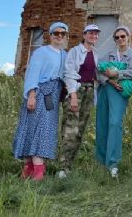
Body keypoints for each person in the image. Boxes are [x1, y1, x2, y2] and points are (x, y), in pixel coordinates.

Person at [12, 21, 69, 181]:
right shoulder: (41, 52)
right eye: (56, 33)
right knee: (33, 129)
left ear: (66, 36)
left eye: (62, 34)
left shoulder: (65, 55)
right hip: (39, 94)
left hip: (53, 95)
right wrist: (31, 95)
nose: (59, 36)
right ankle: (32, 171)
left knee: (46, 130)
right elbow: (33, 73)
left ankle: (34, 170)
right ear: (50, 35)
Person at [95, 25, 132, 178]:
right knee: (102, 123)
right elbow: (98, 71)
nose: (120, 39)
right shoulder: (109, 54)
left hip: (119, 92)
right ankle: (100, 161)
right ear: (115, 40)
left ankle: (113, 162)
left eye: (123, 36)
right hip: (105, 89)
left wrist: (116, 74)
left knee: (115, 123)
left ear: (128, 37)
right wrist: (109, 80)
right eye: (117, 37)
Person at [57, 23, 100, 178]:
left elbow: (97, 74)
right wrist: (73, 95)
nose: (93, 36)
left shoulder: (95, 54)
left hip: (89, 92)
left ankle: (70, 165)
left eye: (96, 34)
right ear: (84, 35)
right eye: (90, 33)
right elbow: (69, 73)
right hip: (76, 91)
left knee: (80, 130)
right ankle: (62, 167)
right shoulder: (75, 51)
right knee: (70, 129)